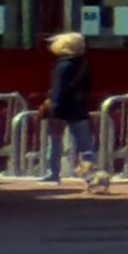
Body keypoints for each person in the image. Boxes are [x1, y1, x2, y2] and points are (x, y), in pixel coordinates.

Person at [40, 30, 93, 183]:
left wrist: (55, 111)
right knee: (85, 144)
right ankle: (91, 174)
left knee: (55, 141)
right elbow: (87, 87)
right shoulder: (84, 64)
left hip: (62, 108)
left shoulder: (63, 65)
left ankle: (53, 173)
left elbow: (59, 90)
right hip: (79, 108)